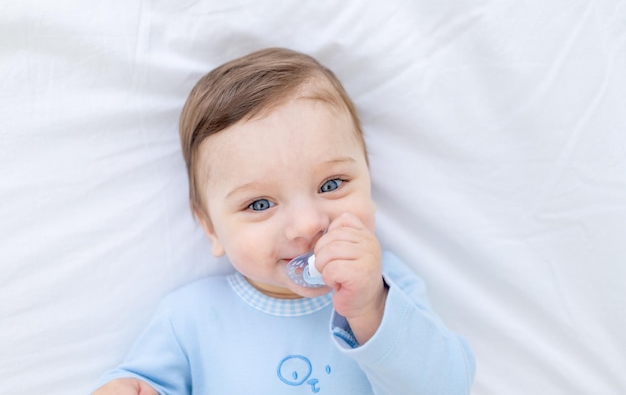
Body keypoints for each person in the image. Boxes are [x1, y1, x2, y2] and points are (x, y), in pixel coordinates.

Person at [92, 47, 475, 394]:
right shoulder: (190, 317)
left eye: (331, 184)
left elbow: (448, 387)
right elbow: (141, 384)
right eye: (259, 204)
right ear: (211, 228)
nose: (308, 225)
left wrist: (371, 308)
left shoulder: (390, 288)